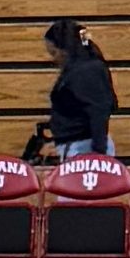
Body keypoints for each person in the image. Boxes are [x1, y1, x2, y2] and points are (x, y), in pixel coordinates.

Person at [27, 17, 117, 164]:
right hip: (80, 145)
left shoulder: (87, 71)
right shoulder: (83, 68)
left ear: (65, 50)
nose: (53, 59)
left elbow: (98, 111)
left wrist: (99, 154)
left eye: (54, 53)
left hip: (84, 148)